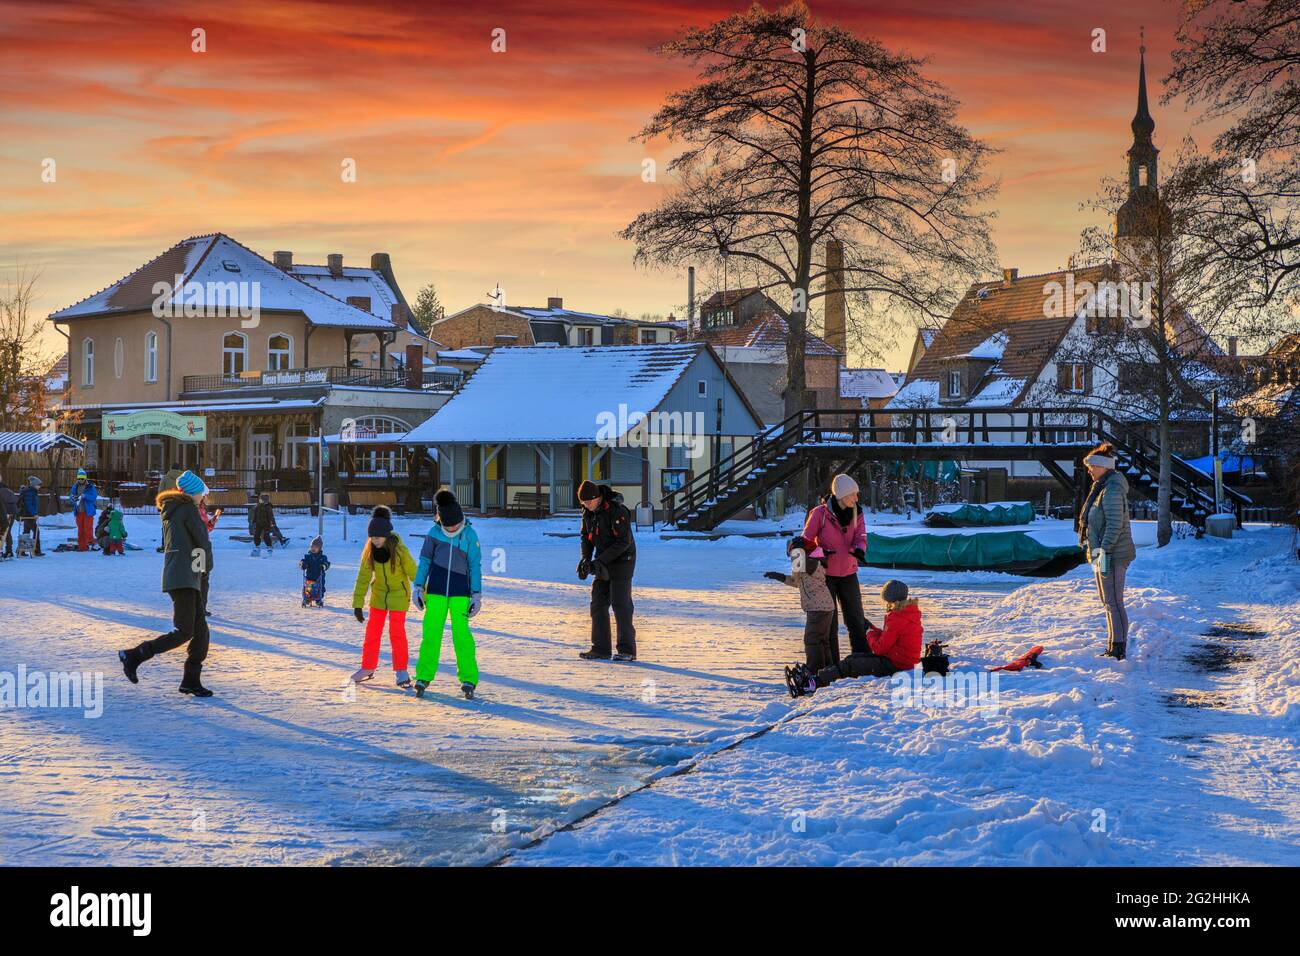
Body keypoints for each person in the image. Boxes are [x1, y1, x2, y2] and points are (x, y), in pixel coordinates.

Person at [117, 470, 215, 696]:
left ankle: (190, 681)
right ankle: (134, 655)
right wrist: (205, 569)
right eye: (201, 493)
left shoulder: (174, 509)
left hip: (182, 575)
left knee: (201, 634)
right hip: (185, 577)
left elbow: (192, 543)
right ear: (193, 493)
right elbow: (201, 543)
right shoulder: (189, 510)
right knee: (184, 631)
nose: (203, 497)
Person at [786, 579, 923, 698]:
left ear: (892, 600)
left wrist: (869, 633)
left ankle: (813, 683)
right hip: (900, 661)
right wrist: (872, 629)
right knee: (853, 658)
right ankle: (818, 677)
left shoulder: (897, 618)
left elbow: (879, 649)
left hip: (896, 665)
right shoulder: (907, 613)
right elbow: (890, 637)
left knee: (851, 665)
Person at [412, 490, 482, 700]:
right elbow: (424, 562)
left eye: (455, 525)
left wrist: (476, 595)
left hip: (461, 593)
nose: (452, 528)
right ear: (440, 520)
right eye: (448, 525)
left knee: (462, 636)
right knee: (431, 634)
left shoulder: (469, 535)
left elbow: (475, 565)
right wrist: (418, 587)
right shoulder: (433, 534)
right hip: (436, 591)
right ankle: (423, 675)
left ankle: (469, 678)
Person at [1078, 442, 1137, 661]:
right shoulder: (1102, 488)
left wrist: (1104, 551)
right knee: (1108, 601)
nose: (1089, 470)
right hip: (1102, 554)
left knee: (1114, 601)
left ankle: (1118, 649)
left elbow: (1115, 524)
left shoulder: (1111, 489)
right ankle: (1113, 645)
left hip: (1111, 554)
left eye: (1092, 466)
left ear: (1104, 467)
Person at [801, 473, 868, 660]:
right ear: (841, 496)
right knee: (830, 623)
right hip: (826, 575)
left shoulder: (857, 512)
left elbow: (861, 536)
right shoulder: (819, 514)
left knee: (855, 618)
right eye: (852, 495)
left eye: (856, 494)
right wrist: (821, 553)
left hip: (848, 573)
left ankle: (861, 659)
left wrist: (859, 549)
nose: (856, 498)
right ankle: (832, 664)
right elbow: (805, 542)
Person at [350, 506, 416, 687]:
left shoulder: (399, 549)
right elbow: (363, 578)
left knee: (397, 634)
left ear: (387, 535)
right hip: (379, 596)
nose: (374, 541)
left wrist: (423, 593)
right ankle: (367, 667)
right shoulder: (370, 550)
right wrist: (358, 603)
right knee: (372, 632)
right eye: (372, 538)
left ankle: (401, 671)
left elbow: (413, 572)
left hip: (399, 596)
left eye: (377, 538)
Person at [575, 479, 637, 662]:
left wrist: (598, 561)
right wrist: (586, 559)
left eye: (589, 502)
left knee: (621, 604)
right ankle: (600, 648)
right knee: (598, 604)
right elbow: (585, 536)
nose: (586, 505)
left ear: (598, 498)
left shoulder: (616, 510)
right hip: (603, 559)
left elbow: (623, 542)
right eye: (583, 503)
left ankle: (627, 650)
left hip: (623, 560)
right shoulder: (588, 512)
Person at [763, 536, 836, 673]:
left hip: (817, 607)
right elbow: (798, 582)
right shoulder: (813, 561)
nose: (792, 556)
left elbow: (798, 571)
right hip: (825, 606)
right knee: (822, 642)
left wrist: (796, 550)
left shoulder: (808, 561)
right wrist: (780, 577)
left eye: (792, 553)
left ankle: (815, 672)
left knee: (812, 641)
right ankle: (828, 672)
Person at [69, 469, 97, 551]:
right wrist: (72, 498)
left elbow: (93, 497)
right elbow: (71, 495)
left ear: (85, 478)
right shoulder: (75, 486)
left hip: (88, 512)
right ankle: (82, 547)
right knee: (80, 530)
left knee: (88, 528)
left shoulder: (90, 486)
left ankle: (92, 543)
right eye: (79, 479)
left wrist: (85, 496)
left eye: (82, 478)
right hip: (79, 511)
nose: (80, 480)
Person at [300, 535, 330, 608]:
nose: (313, 548)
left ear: (319, 548)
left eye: (316, 547)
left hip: (319, 576)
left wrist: (323, 566)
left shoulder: (323, 557)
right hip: (310, 576)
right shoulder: (308, 556)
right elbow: (303, 561)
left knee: (320, 587)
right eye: (312, 547)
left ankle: (318, 599)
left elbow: (327, 564)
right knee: (308, 587)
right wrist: (303, 564)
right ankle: (307, 598)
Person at [18, 476, 44, 556]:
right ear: (34, 485)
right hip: (29, 515)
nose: (40, 486)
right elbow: (29, 505)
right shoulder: (30, 492)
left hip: (29, 515)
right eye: (38, 485)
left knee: (26, 532)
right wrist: (34, 514)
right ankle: (36, 551)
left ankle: (20, 551)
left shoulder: (32, 491)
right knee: (36, 531)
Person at [0, 474, 17, 559]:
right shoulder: (8, 489)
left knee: (3, 532)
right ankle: (9, 551)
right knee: (7, 531)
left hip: (4, 513)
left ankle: (3, 551)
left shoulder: (2, 490)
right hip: (11, 513)